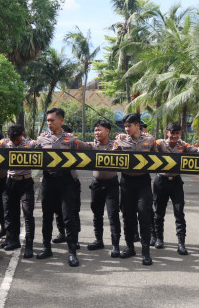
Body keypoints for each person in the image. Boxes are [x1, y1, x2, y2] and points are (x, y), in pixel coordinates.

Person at [36, 108, 89, 267]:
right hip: (48, 180)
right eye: (48, 120)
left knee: (68, 217)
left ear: (61, 121)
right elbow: (29, 154)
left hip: (66, 181)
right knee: (46, 215)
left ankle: (72, 252)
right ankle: (46, 247)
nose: (49, 123)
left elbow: (89, 149)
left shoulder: (72, 141)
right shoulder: (41, 140)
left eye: (52, 120)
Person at [113, 113, 157, 265]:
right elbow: (111, 160)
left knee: (144, 214)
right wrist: (115, 148)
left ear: (138, 125)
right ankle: (130, 247)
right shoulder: (121, 140)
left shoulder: (150, 140)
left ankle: (146, 251)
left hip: (143, 182)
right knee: (128, 216)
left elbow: (160, 159)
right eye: (125, 126)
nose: (126, 129)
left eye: (129, 126)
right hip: (126, 182)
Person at [153, 122, 199, 255]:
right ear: (167, 132)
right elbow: (149, 146)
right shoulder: (159, 144)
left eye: (177, 133)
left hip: (176, 182)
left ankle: (181, 243)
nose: (174, 136)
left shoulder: (183, 145)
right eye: (172, 133)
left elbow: (196, 151)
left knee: (179, 212)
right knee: (159, 212)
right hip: (161, 181)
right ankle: (159, 239)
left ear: (180, 134)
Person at [0, 124, 37, 257]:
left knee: (28, 213)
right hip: (10, 182)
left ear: (22, 135)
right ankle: (13, 240)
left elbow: (43, 149)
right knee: (10, 213)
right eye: (12, 140)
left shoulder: (30, 144)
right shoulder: (5, 144)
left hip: (26, 182)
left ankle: (29, 245)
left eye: (17, 140)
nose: (15, 142)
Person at [87, 120, 122, 257]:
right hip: (96, 184)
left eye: (99, 130)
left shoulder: (116, 145)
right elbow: (76, 145)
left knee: (113, 215)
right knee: (97, 214)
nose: (96, 133)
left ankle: (115, 245)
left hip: (111, 184)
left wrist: (121, 141)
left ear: (107, 131)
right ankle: (99, 240)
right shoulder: (91, 146)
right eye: (95, 130)